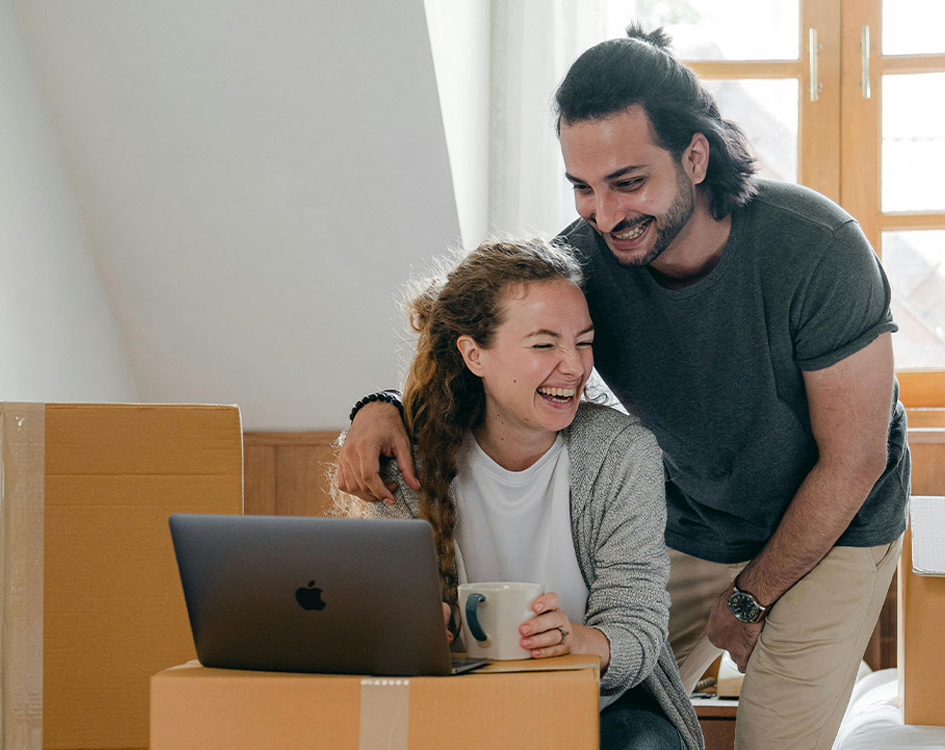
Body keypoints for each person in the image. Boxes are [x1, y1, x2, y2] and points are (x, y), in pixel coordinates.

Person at [339, 26, 909, 749]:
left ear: (694, 158)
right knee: (599, 693)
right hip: (696, 521)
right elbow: (477, 341)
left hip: (835, 529)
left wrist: (751, 596)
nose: (605, 214)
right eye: (582, 187)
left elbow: (854, 462)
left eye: (628, 183)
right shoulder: (590, 258)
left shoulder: (818, 251)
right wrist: (381, 407)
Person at [335, 237, 701, 750]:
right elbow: (379, 624)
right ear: (474, 355)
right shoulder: (404, 459)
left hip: (600, 710)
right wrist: (408, 635)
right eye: (544, 344)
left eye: (583, 341)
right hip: (454, 710)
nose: (574, 367)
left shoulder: (622, 454)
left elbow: (637, 627)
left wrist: (577, 641)